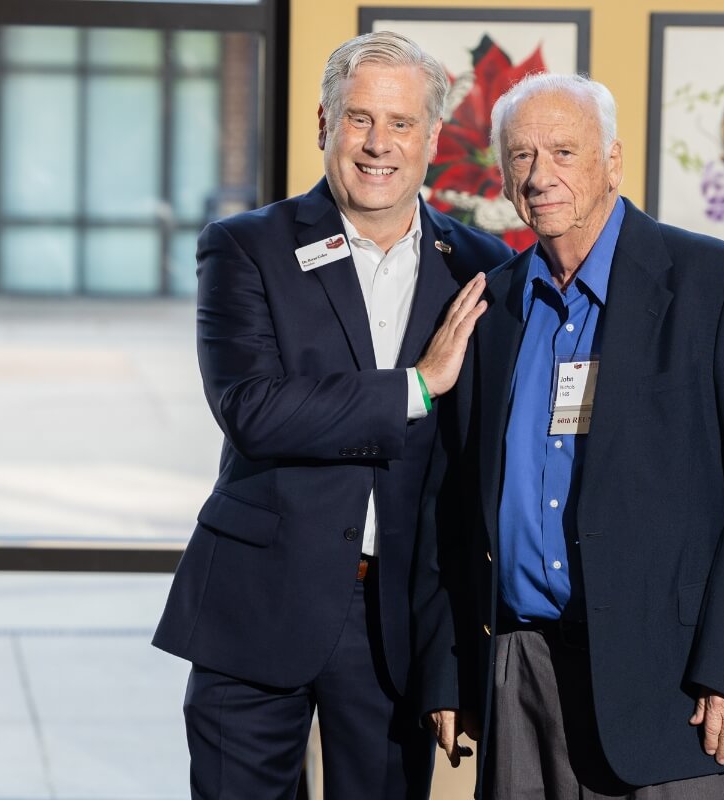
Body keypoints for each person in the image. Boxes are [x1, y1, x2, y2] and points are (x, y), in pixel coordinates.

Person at [413, 73, 724, 799]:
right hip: (518, 676)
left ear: (613, 163)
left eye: (564, 151)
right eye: (523, 157)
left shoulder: (721, 288)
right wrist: (451, 668)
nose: (542, 176)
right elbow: (456, 506)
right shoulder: (491, 306)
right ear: (503, 178)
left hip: (676, 688)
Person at [153, 31, 513, 800]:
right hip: (256, 605)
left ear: (432, 137)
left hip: (395, 624)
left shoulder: (482, 270)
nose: (378, 144)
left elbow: (474, 471)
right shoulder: (245, 249)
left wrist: (452, 650)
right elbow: (253, 411)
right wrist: (415, 389)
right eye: (358, 119)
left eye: (401, 123)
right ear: (324, 125)